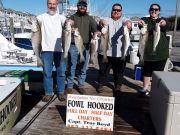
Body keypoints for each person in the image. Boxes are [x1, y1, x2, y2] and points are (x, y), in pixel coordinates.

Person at [96, 3, 132, 93]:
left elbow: (127, 22)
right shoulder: (106, 19)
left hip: (120, 52)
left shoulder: (124, 19)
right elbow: (100, 22)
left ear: (121, 12)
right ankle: (101, 84)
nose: (116, 11)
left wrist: (128, 24)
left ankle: (118, 85)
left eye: (118, 10)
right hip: (105, 52)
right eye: (114, 10)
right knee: (103, 70)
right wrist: (102, 23)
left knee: (119, 71)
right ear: (111, 11)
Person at [36, 0, 67, 102]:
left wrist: (71, 22)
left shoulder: (61, 17)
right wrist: (31, 20)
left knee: (61, 73)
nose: (52, 6)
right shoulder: (41, 17)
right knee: (47, 73)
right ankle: (48, 93)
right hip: (45, 50)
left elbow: (68, 23)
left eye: (54, 4)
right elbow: (34, 21)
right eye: (50, 3)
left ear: (57, 5)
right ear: (47, 4)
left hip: (60, 50)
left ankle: (61, 92)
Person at [66, 0, 97, 95]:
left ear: (86, 7)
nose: (82, 7)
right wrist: (68, 24)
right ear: (77, 7)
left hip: (86, 46)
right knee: (72, 66)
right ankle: (70, 85)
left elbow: (95, 29)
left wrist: (97, 32)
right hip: (73, 44)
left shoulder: (90, 18)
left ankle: (81, 85)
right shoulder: (73, 17)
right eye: (80, 5)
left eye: (84, 5)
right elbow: (66, 25)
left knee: (84, 67)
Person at [138, 3, 169, 96]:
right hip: (147, 52)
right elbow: (141, 23)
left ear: (159, 11)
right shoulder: (145, 19)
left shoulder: (161, 20)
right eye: (152, 9)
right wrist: (141, 23)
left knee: (158, 74)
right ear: (149, 10)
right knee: (146, 72)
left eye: (156, 9)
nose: (154, 11)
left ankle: (155, 90)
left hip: (160, 53)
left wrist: (163, 23)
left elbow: (165, 24)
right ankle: (145, 88)